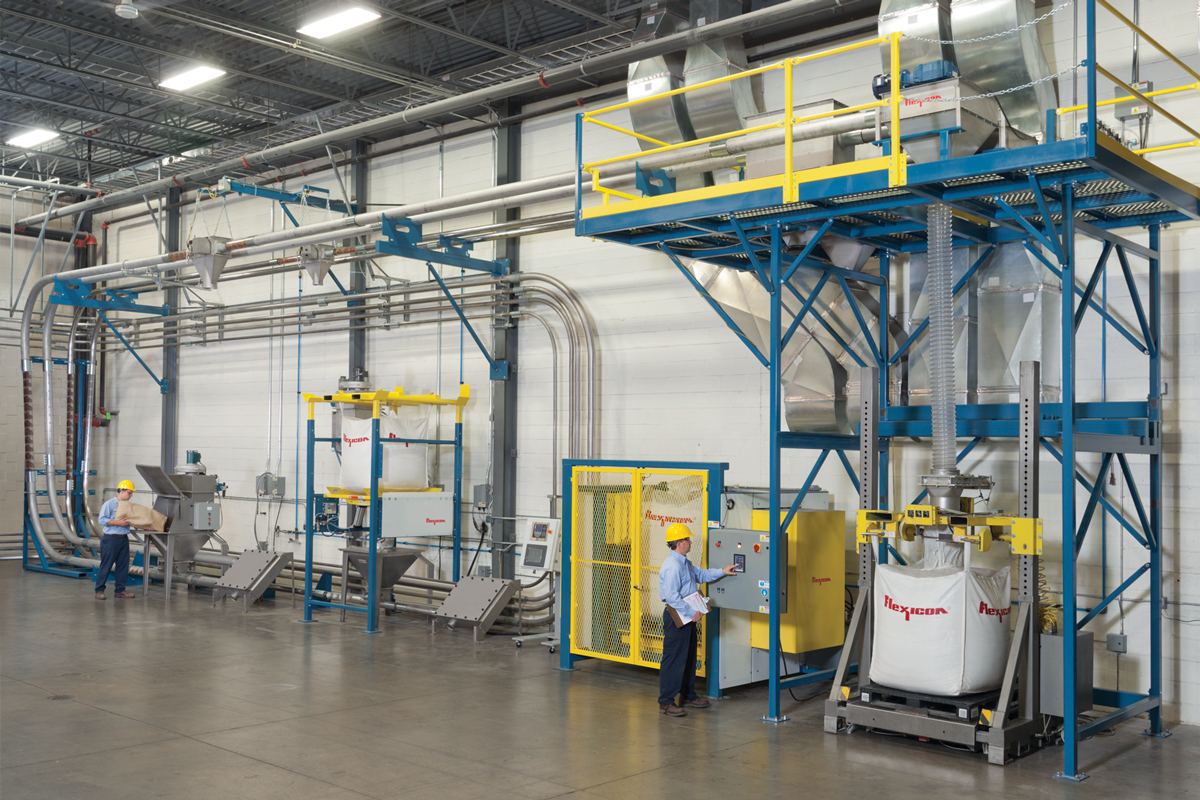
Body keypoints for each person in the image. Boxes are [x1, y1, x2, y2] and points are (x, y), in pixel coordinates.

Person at [658, 522, 736, 716]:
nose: (690, 542)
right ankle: (666, 702)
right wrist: (691, 612)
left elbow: (701, 575)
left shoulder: (685, 563)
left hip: (688, 618)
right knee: (673, 659)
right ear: (678, 543)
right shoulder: (672, 566)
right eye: (687, 539)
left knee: (688, 658)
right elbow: (671, 596)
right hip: (678, 618)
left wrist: (722, 571)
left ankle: (688, 695)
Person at [95, 480, 138, 600]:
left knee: (123, 566)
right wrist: (118, 523)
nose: (131, 495)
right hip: (111, 539)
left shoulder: (128, 506)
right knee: (106, 565)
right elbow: (102, 520)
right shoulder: (109, 504)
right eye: (129, 493)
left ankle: (120, 590)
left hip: (123, 539)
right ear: (122, 491)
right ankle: (99, 590)